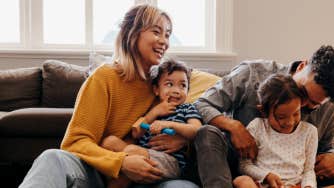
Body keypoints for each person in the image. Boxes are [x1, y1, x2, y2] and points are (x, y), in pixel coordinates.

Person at [19, 4, 200, 188]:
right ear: (133, 33)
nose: (164, 41)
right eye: (156, 32)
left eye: (167, 35)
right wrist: (120, 162)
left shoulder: (162, 85)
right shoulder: (104, 78)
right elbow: (75, 142)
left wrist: (183, 142)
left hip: (150, 174)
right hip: (97, 173)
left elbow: (189, 126)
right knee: (52, 158)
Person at [194, 45, 334, 188]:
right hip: (239, 166)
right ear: (302, 66)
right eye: (302, 93)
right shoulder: (252, 73)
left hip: (293, 176)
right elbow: (202, 104)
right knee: (207, 134)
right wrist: (234, 127)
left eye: (312, 105)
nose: (301, 106)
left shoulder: (330, 107)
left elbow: (326, 148)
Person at [101, 59, 202, 187]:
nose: (177, 90)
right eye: (169, 84)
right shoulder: (150, 109)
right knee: (109, 142)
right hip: (142, 153)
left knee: (131, 153)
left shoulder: (187, 108)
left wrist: (170, 125)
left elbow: (197, 131)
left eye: (183, 85)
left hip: (170, 162)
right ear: (156, 89)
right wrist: (155, 112)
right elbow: (136, 132)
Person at [232, 74, 317, 188]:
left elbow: (309, 170)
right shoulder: (257, 127)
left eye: (296, 113)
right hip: (263, 184)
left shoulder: (310, 132)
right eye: (281, 117)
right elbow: (244, 165)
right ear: (264, 111)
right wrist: (266, 176)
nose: (290, 122)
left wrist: (308, 186)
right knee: (241, 181)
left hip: (294, 185)